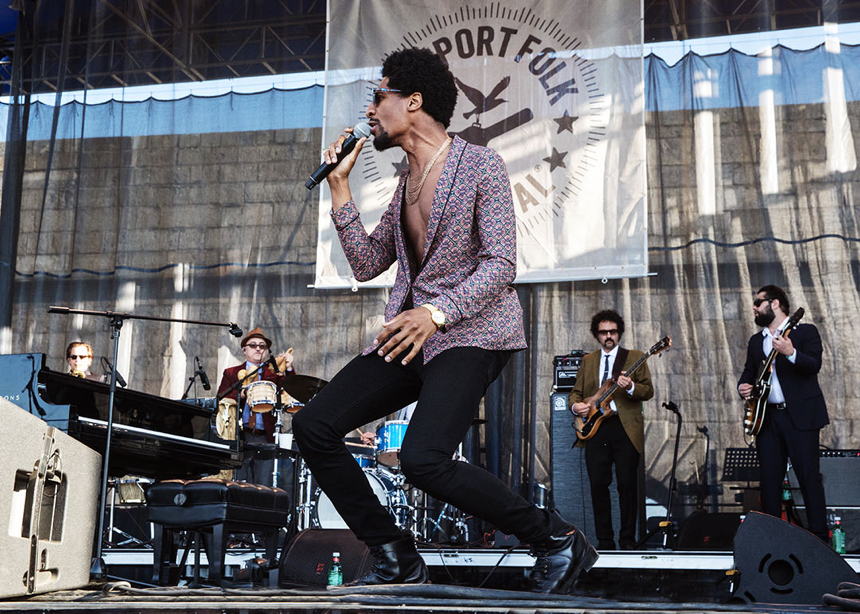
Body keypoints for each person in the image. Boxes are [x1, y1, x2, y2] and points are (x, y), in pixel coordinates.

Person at [292, 47, 597, 593]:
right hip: (413, 335)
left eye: (378, 95)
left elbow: (502, 262)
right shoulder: (404, 185)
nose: (370, 109)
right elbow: (366, 264)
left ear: (412, 101)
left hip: (472, 331)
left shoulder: (479, 164)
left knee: (423, 459)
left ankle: (554, 538)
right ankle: (394, 554)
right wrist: (339, 187)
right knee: (314, 427)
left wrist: (436, 312)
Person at [737, 285, 829, 542]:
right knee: (769, 481)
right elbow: (748, 371)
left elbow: (814, 365)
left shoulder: (805, 331)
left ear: (775, 304)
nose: (754, 308)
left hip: (800, 417)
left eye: (758, 302)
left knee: (808, 478)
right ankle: (772, 539)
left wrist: (791, 353)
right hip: (768, 418)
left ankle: (819, 539)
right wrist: (742, 386)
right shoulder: (757, 341)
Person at [569, 310, 654, 551]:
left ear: (619, 333)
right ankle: (604, 542)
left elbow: (648, 392)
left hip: (624, 427)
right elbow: (575, 392)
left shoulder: (635, 357)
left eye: (613, 331)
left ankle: (627, 541)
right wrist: (577, 407)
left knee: (627, 484)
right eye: (604, 332)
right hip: (596, 427)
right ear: (596, 334)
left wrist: (631, 387)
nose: (609, 336)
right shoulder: (588, 361)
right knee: (598, 484)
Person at [216, 327, 295, 486]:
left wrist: (288, 368)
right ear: (244, 350)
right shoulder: (231, 373)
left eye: (262, 346)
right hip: (239, 435)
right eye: (253, 345)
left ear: (266, 352)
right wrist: (240, 395)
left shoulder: (273, 375)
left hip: (265, 435)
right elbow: (220, 399)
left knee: (263, 483)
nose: (258, 348)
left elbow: (292, 390)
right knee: (238, 480)